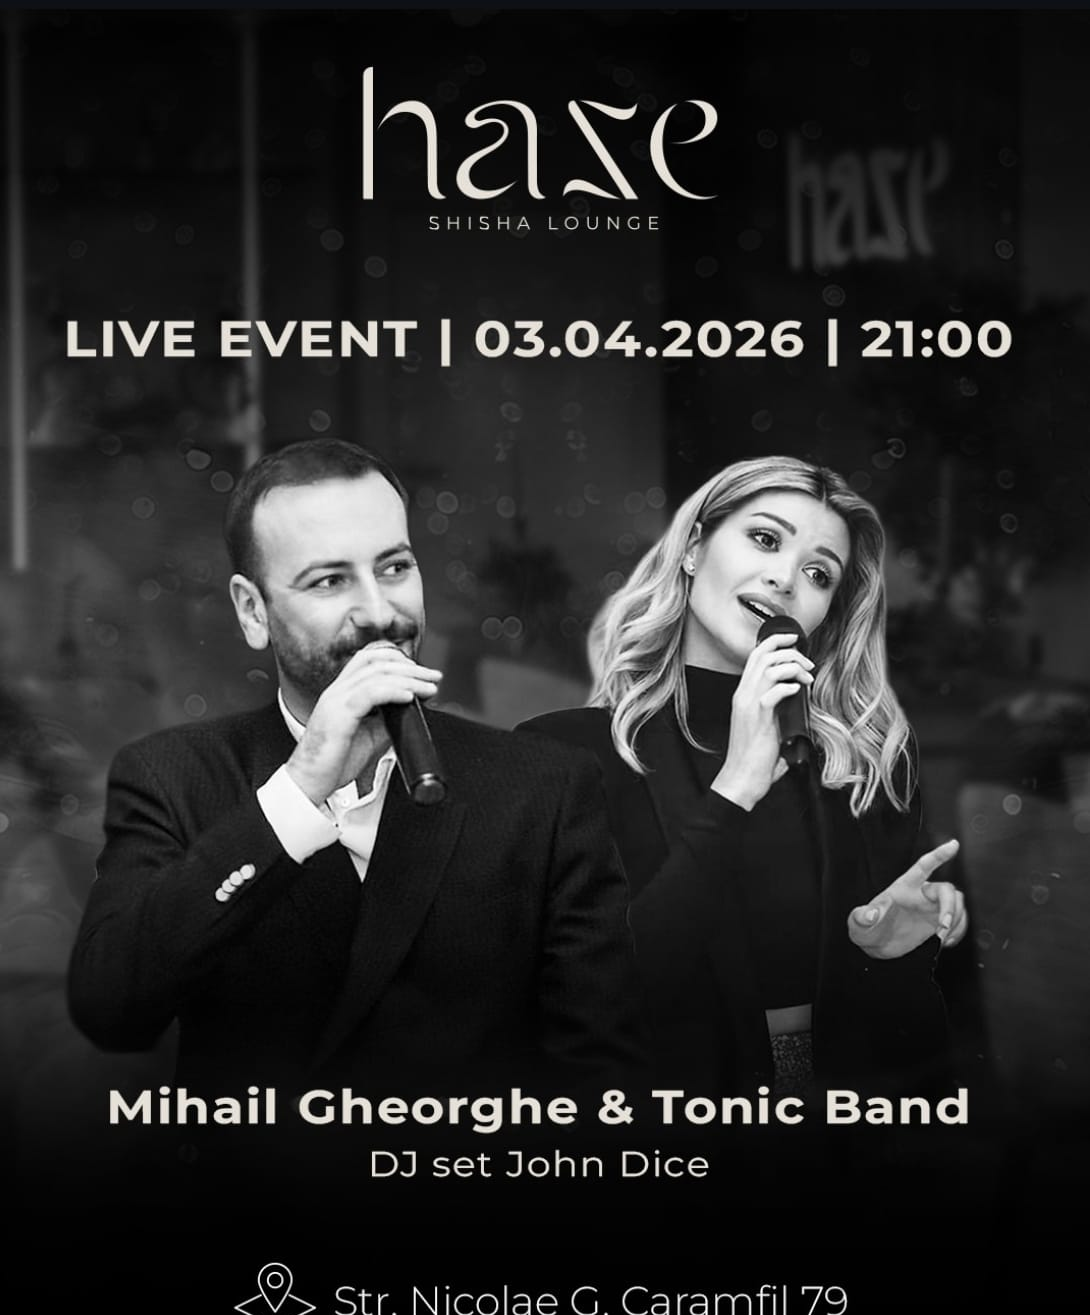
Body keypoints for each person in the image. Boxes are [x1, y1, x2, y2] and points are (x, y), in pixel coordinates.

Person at [68, 439, 642, 1098]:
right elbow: (112, 1007)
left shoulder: (544, 787)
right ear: (253, 611)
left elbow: (603, 1077)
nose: (377, 611)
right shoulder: (171, 776)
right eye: (329, 581)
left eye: (394, 567)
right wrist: (299, 789)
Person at [521, 456, 967, 1099]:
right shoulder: (566, 753)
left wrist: (888, 954)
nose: (785, 578)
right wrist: (735, 790)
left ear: (827, 614)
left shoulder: (866, 765)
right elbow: (596, 992)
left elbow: (916, 1046)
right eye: (764, 538)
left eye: (818, 573)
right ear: (693, 549)